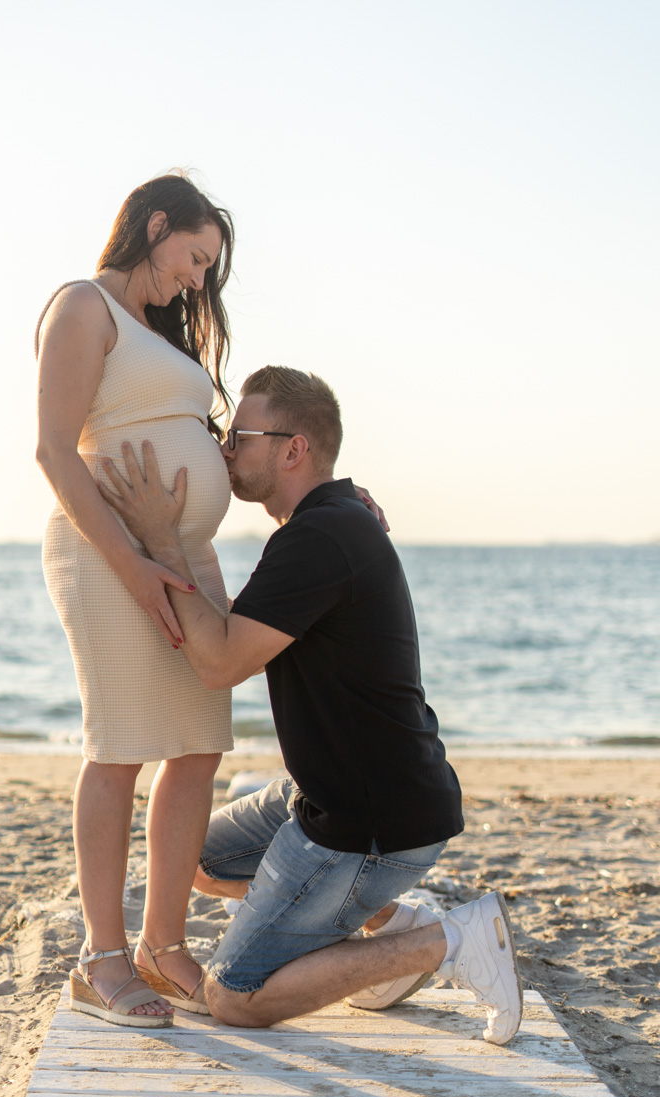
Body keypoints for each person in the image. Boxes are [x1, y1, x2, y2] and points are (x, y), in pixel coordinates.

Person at [99, 365, 524, 1044]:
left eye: (239, 438)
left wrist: (162, 537)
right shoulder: (328, 523)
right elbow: (233, 635)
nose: (224, 451)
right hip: (341, 794)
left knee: (235, 997)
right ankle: (391, 927)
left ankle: (448, 941)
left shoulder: (319, 539)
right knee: (195, 860)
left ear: (294, 449)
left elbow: (219, 663)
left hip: (370, 823)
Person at [35, 173, 237, 1026]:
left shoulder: (160, 333)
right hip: (108, 555)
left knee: (198, 746)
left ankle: (163, 946)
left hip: (184, 554)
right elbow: (54, 450)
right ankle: (102, 958)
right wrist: (133, 564)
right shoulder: (83, 306)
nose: (197, 278)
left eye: (208, 268)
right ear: (156, 225)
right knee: (119, 747)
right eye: (195, 256)